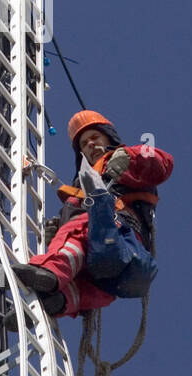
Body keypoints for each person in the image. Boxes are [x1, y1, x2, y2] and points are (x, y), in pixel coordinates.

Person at [12, 110, 174, 317]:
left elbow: (162, 163)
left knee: (78, 229)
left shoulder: (125, 162)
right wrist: (56, 230)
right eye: (83, 144)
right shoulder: (80, 188)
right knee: (89, 289)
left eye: (95, 137)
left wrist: (128, 157)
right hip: (123, 269)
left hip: (118, 237)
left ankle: (50, 271)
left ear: (109, 136)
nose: (90, 144)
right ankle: (53, 303)